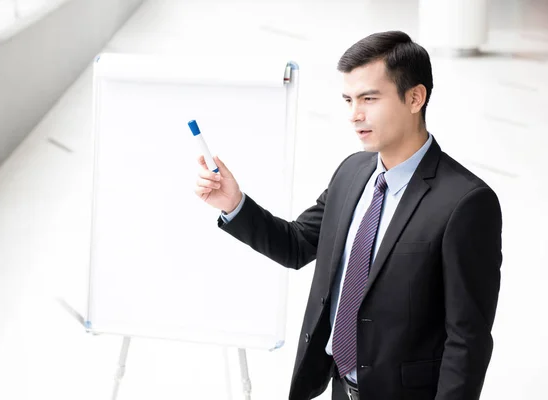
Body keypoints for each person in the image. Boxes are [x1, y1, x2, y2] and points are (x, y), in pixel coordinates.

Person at [194, 31, 502, 400]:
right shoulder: (352, 173)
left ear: (415, 97)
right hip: (340, 389)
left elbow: (467, 339)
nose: (355, 115)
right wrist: (234, 203)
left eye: (369, 99)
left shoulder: (466, 202)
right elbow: (296, 245)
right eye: (348, 100)